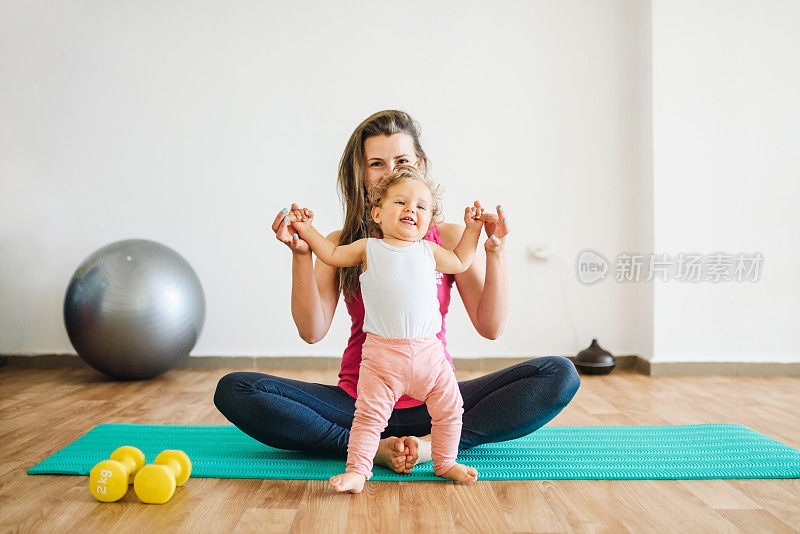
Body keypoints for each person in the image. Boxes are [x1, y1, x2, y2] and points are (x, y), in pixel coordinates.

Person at [213, 109, 580, 482]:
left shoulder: (448, 240)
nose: (389, 172)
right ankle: (371, 446)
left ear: (418, 166)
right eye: (376, 163)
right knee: (237, 389)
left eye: (401, 161)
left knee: (558, 374)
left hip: (435, 396)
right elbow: (312, 330)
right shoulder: (345, 244)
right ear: (361, 174)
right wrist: (301, 254)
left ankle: (429, 445)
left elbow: (491, 326)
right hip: (361, 400)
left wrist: (495, 251)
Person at [286, 165, 484, 492]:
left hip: (429, 356)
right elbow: (332, 254)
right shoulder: (368, 248)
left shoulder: (430, 251)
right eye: (401, 203)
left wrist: (473, 229)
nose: (411, 209)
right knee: (367, 418)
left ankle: (445, 461)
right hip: (382, 359)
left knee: (451, 409)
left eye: (421, 206)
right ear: (377, 213)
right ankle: (358, 472)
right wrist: (307, 232)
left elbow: (462, 261)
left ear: (429, 220)